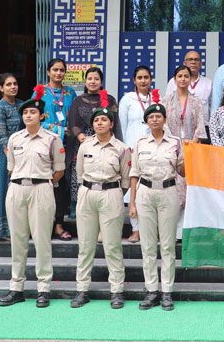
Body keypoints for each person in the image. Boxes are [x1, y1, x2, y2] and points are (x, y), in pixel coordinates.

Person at [0, 86, 64, 308]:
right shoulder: (15, 139)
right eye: (25, 112)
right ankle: (16, 288)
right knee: (18, 240)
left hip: (41, 189)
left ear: (42, 115)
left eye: (33, 112)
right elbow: (11, 168)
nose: (28, 115)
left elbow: (59, 170)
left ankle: (43, 289)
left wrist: (44, 183)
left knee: (42, 240)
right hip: (17, 189)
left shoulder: (52, 139)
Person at [71, 90, 130, 310]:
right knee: (85, 245)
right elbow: (79, 174)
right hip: (87, 194)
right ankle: (82, 289)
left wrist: (112, 192)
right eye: (96, 120)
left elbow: (125, 180)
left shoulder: (122, 149)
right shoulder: (85, 146)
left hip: (111, 194)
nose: (99, 123)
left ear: (111, 124)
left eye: (104, 120)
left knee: (112, 246)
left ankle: (117, 291)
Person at [129, 96, 185, 311]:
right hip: (145, 193)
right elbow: (134, 173)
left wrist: (190, 155)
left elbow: (183, 171)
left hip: (168, 191)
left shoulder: (176, 142)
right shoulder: (140, 143)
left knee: (168, 245)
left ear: (164, 120)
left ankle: (167, 291)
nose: (154, 119)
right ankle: (152, 290)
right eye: (151, 117)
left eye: (158, 116)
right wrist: (132, 203)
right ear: (147, 121)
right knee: (148, 245)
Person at [65, 67, 122, 221]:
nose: (93, 82)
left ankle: (104, 202)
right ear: (85, 81)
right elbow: (73, 122)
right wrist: (82, 137)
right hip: (83, 141)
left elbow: (115, 122)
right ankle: (76, 204)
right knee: (80, 172)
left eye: (96, 79)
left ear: (101, 81)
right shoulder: (78, 100)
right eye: (90, 79)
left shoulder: (110, 100)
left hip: (106, 140)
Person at [33, 58, 77, 241]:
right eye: (55, 70)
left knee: (62, 186)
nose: (58, 73)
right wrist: (60, 130)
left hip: (66, 147)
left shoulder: (70, 92)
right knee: (44, 184)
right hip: (45, 145)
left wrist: (70, 131)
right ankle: (41, 225)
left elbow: (74, 117)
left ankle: (59, 225)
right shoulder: (40, 92)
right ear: (48, 72)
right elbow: (34, 118)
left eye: (61, 70)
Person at [163, 65, 206, 239]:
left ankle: (185, 231)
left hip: (191, 149)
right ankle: (171, 231)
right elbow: (162, 124)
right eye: (180, 76)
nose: (183, 79)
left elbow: (201, 125)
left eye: (186, 76)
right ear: (174, 79)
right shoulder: (166, 101)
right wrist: (173, 144)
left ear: (190, 80)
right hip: (171, 149)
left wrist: (192, 144)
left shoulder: (196, 101)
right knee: (172, 188)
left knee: (189, 189)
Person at [118, 65, 153, 243]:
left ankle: (149, 230)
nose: (143, 81)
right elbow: (122, 126)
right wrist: (125, 149)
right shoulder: (128, 99)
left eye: (146, 77)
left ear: (151, 79)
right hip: (132, 148)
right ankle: (135, 230)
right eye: (139, 78)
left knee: (148, 190)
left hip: (152, 149)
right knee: (133, 190)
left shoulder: (156, 99)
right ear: (134, 80)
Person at [0, 73, 23, 240]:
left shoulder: (21, 104)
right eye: (8, 84)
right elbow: (2, 136)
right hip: (4, 154)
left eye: (15, 83)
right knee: (3, 191)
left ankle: (18, 229)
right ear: (1, 88)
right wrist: (12, 159)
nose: (13, 87)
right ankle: (2, 231)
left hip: (22, 152)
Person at [166, 50, 213, 142]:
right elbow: (167, 108)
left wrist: (195, 140)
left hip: (202, 131)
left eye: (196, 60)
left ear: (201, 64)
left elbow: (212, 107)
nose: (193, 62)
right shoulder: (172, 82)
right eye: (190, 59)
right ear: (184, 63)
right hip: (175, 131)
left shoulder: (208, 83)